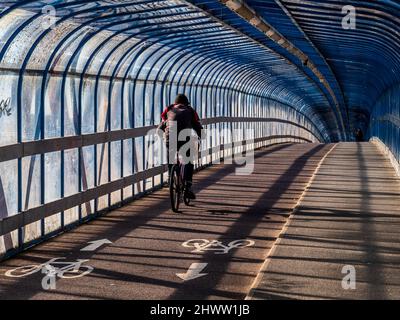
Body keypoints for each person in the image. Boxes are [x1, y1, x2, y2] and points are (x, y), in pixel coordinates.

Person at [158, 94, 203, 200]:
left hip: (170, 138)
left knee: (170, 153)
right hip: (184, 139)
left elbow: (162, 124)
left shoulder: (169, 109)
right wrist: (201, 136)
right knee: (189, 159)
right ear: (186, 103)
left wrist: (164, 138)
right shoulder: (190, 110)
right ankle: (187, 185)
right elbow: (197, 125)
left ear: (175, 103)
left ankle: (170, 177)